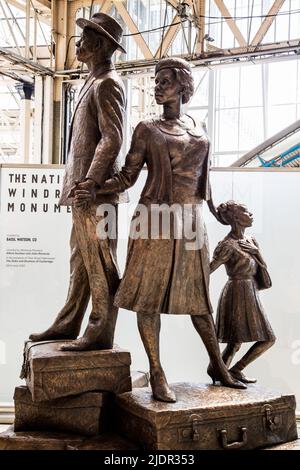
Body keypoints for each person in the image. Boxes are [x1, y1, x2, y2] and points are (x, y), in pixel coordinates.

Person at [75, 57, 245, 402]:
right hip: (153, 220)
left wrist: (220, 214)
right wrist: (95, 186)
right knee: (148, 300)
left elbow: (204, 183)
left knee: (199, 301)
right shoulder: (146, 129)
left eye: (164, 80)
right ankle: (156, 371)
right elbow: (128, 176)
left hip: (191, 222)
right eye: (155, 81)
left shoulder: (200, 129)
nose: (157, 85)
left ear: (182, 86)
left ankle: (218, 366)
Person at [29, 13, 126, 351]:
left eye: (83, 38)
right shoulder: (92, 81)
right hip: (83, 192)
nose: (78, 43)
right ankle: (69, 322)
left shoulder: (108, 83)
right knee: (81, 259)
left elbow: (112, 139)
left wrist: (90, 181)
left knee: (100, 261)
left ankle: (100, 329)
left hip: (95, 192)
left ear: (99, 46)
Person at [210, 201, 276, 383]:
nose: (252, 214)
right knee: (236, 341)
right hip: (236, 292)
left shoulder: (251, 241)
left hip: (251, 290)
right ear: (237, 218)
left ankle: (228, 370)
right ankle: (223, 371)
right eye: (246, 211)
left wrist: (258, 253)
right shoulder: (227, 245)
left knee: (265, 339)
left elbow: (261, 268)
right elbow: (209, 269)